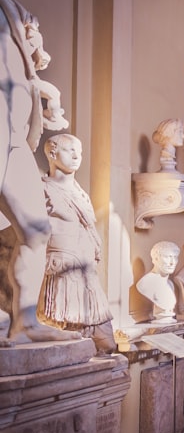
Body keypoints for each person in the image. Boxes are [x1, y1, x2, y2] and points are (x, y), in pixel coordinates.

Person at [0, 0, 80, 346]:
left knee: (35, 231)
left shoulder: (13, 10)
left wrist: (43, 91)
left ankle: (23, 322)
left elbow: (21, 76)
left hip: (15, 138)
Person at [38, 133, 114, 352]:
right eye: (69, 150)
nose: (76, 156)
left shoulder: (81, 193)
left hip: (88, 273)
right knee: (69, 345)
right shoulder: (42, 188)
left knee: (108, 345)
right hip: (61, 271)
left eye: (79, 151)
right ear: (52, 153)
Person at [136, 240, 180, 323]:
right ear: (155, 259)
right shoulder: (145, 283)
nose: (172, 262)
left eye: (175, 257)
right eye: (167, 257)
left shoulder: (170, 284)